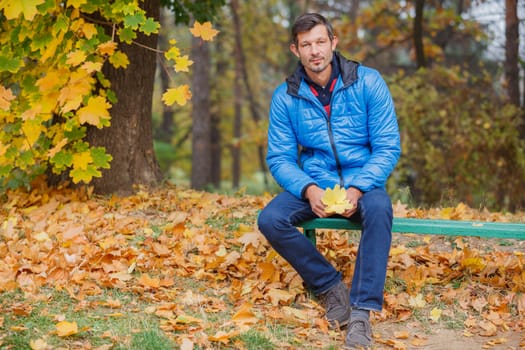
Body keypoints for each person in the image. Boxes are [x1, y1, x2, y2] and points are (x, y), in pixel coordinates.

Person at [257, 13, 401, 349]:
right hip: (316, 182)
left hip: (362, 182)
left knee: (380, 209)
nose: (315, 51)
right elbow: (279, 157)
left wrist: (359, 187)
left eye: (321, 42)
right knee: (270, 219)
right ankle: (332, 288)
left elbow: (387, 146)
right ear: (296, 50)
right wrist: (308, 189)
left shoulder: (368, 82)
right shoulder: (285, 96)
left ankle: (362, 313)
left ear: (333, 43)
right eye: (306, 45)